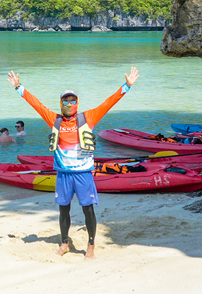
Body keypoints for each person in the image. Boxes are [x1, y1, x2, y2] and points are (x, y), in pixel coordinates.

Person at [7, 67, 139, 260]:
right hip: (63, 174)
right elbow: (36, 105)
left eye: (73, 100)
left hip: (83, 173)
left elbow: (108, 103)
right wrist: (19, 87)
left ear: (77, 102)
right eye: (66, 100)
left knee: (88, 209)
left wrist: (126, 86)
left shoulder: (88, 118)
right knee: (63, 210)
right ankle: (64, 243)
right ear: (61, 103)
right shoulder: (54, 120)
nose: (70, 103)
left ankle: (91, 245)